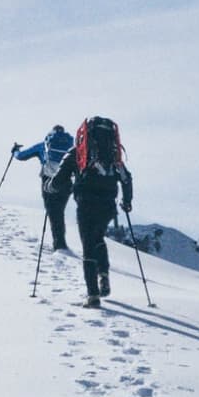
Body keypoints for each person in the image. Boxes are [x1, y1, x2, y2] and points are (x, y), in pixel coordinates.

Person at [46, 116, 133, 307]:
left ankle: (93, 295)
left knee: (88, 245)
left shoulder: (78, 152)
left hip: (86, 204)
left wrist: (50, 187)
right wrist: (127, 202)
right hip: (108, 205)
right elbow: (127, 179)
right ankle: (104, 274)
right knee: (98, 238)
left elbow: (60, 178)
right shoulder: (113, 155)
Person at [12, 125, 74, 252]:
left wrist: (15, 151)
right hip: (66, 182)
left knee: (53, 212)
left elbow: (22, 156)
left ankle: (59, 245)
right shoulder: (71, 147)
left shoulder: (44, 145)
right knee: (59, 211)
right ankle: (60, 242)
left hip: (48, 181)